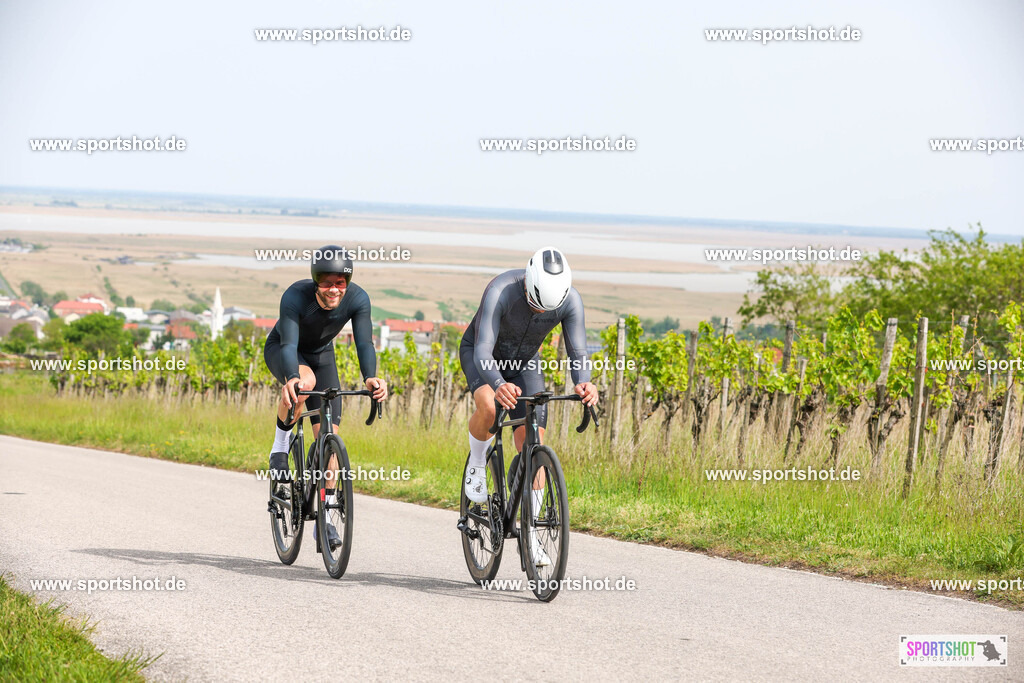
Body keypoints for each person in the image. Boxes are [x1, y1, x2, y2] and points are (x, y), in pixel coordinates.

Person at [459, 246, 598, 566]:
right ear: (527, 285)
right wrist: (497, 384)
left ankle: (530, 535)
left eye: (546, 309)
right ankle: (477, 465)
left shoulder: (570, 300)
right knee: (491, 409)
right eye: (535, 304)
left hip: (524, 363)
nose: (539, 313)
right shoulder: (499, 290)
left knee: (534, 445)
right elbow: (482, 349)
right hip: (483, 356)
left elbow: (578, 354)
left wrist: (584, 382)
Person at [263, 245, 388, 548]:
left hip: (323, 356)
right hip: (285, 350)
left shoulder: (358, 299)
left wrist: (370, 377)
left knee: (330, 446)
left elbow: (364, 344)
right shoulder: (295, 296)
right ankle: (279, 448)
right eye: (327, 283)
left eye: (340, 283)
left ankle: (325, 518)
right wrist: (292, 377)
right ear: (315, 281)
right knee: (305, 382)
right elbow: (290, 344)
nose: (334, 290)